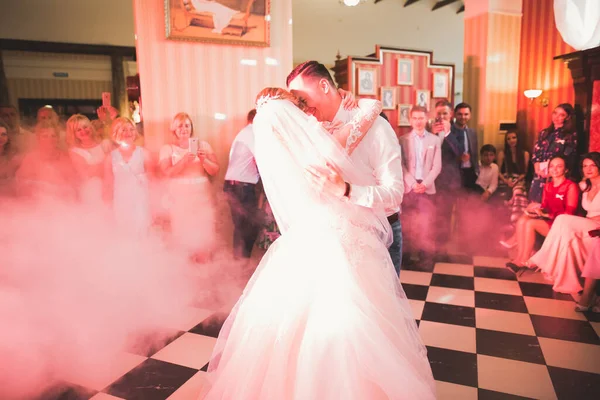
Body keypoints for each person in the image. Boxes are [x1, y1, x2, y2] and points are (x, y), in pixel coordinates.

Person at [202, 88, 435, 399]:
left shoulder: (279, 149)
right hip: (333, 238)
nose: (308, 112)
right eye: (300, 108)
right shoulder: (315, 149)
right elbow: (354, 134)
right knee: (348, 321)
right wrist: (371, 103)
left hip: (302, 240)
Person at [287, 61, 404, 275]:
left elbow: (395, 194)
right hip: (336, 236)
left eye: (303, 100)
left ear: (324, 86)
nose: (302, 108)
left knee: (378, 307)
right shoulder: (312, 129)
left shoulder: (377, 127)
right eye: (298, 103)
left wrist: (346, 190)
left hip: (380, 233)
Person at [527, 152, 600, 293]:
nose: (588, 169)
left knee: (562, 219)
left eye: (593, 165)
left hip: (597, 225)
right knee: (565, 233)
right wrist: (538, 209)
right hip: (586, 223)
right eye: (585, 166)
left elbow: (570, 209)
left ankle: (540, 258)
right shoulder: (584, 186)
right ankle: (568, 283)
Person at [159, 112, 219, 260]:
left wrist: (204, 160)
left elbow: (215, 170)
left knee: (203, 231)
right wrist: (185, 160)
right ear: (174, 129)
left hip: (201, 195)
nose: (184, 129)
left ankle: (204, 270)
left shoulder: (203, 145)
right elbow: (167, 173)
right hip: (180, 196)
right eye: (180, 126)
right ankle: (186, 272)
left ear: (191, 128)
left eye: (187, 125)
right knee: (182, 232)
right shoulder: (168, 149)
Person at [504, 156, 579, 270]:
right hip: (550, 220)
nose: (555, 169)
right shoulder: (548, 186)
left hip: (563, 225)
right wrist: (536, 211)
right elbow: (545, 207)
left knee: (530, 224)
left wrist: (547, 215)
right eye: (552, 166)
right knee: (523, 220)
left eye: (559, 166)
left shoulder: (570, 186)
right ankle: (519, 257)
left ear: (566, 170)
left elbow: (569, 213)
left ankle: (524, 260)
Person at [399, 105, 441, 260]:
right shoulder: (403, 140)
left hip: (427, 187)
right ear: (410, 120)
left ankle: (425, 257)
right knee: (409, 223)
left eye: (421, 118)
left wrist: (425, 184)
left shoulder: (434, 140)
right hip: (409, 188)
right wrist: (412, 183)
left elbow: (437, 166)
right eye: (415, 118)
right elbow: (401, 164)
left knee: (426, 222)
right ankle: (409, 256)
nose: (418, 121)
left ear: (426, 119)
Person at [103, 117, 153, 236]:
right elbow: (107, 183)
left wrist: (144, 179)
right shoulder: (111, 157)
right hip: (121, 199)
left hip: (140, 198)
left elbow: (152, 178)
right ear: (116, 132)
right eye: (124, 130)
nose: (128, 133)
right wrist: (107, 206)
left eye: (131, 129)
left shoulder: (144, 153)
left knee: (141, 232)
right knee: (124, 232)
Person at [223, 109, 261, 259]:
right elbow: (262, 160)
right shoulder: (252, 134)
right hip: (241, 187)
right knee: (246, 229)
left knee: (244, 229)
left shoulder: (246, 133)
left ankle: (240, 267)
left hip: (237, 186)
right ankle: (240, 268)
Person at [529, 103, 577, 203]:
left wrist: (551, 172)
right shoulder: (544, 132)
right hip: (539, 172)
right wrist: (537, 168)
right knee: (535, 201)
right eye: (555, 113)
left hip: (556, 174)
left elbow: (568, 157)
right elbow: (536, 153)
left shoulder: (569, 135)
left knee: (549, 202)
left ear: (567, 117)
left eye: (561, 115)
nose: (556, 117)